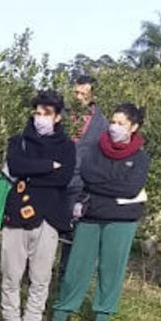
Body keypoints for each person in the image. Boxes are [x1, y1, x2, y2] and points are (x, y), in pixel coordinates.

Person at [49, 103, 150, 321]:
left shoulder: (141, 157)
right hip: (91, 216)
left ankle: (101, 320)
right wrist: (113, 189)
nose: (114, 127)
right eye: (113, 122)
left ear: (134, 127)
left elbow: (132, 187)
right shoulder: (95, 149)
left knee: (111, 269)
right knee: (77, 267)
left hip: (122, 221)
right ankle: (60, 315)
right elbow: (88, 176)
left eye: (120, 123)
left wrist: (103, 187)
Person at [0, 90, 76, 321]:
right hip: (16, 213)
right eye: (37, 113)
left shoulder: (66, 147)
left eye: (47, 114)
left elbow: (63, 178)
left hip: (49, 218)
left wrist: (31, 174)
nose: (40, 118)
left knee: (40, 277)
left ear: (57, 117)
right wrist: (47, 167)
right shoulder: (18, 141)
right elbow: (15, 165)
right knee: (11, 273)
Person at [59, 75, 110, 270]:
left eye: (84, 93)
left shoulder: (101, 124)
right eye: (76, 92)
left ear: (93, 96)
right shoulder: (61, 116)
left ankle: (64, 279)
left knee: (71, 236)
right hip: (57, 181)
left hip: (80, 184)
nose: (79, 97)